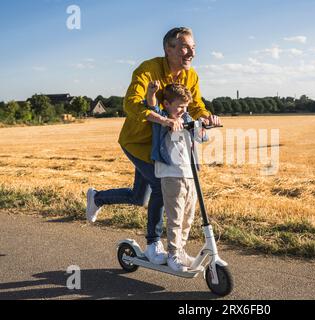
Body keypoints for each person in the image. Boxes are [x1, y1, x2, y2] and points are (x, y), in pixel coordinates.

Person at [85, 27, 221, 265]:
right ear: (168, 49)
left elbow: (196, 105)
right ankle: (152, 245)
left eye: (194, 48)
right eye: (185, 47)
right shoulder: (148, 70)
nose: (191, 53)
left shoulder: (191, 76)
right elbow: (132, 104)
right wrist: (164, 119)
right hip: (139, 142)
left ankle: (97, 198)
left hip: (163, 147)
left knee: (140, 198)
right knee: (160, 186)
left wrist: (208, 117)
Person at [148, 82, 206, 272]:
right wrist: (151, 93)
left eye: (186, 106)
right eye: (180, 106)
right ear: (167, 104)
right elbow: (152, 108)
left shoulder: (188, 118)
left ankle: (180, 250)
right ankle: (173, 253)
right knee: (175, 218)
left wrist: (206, 124)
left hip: (190, 175)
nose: (183, 110)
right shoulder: (163, 118)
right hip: (171, 175)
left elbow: (201, 137)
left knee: (187, 218)